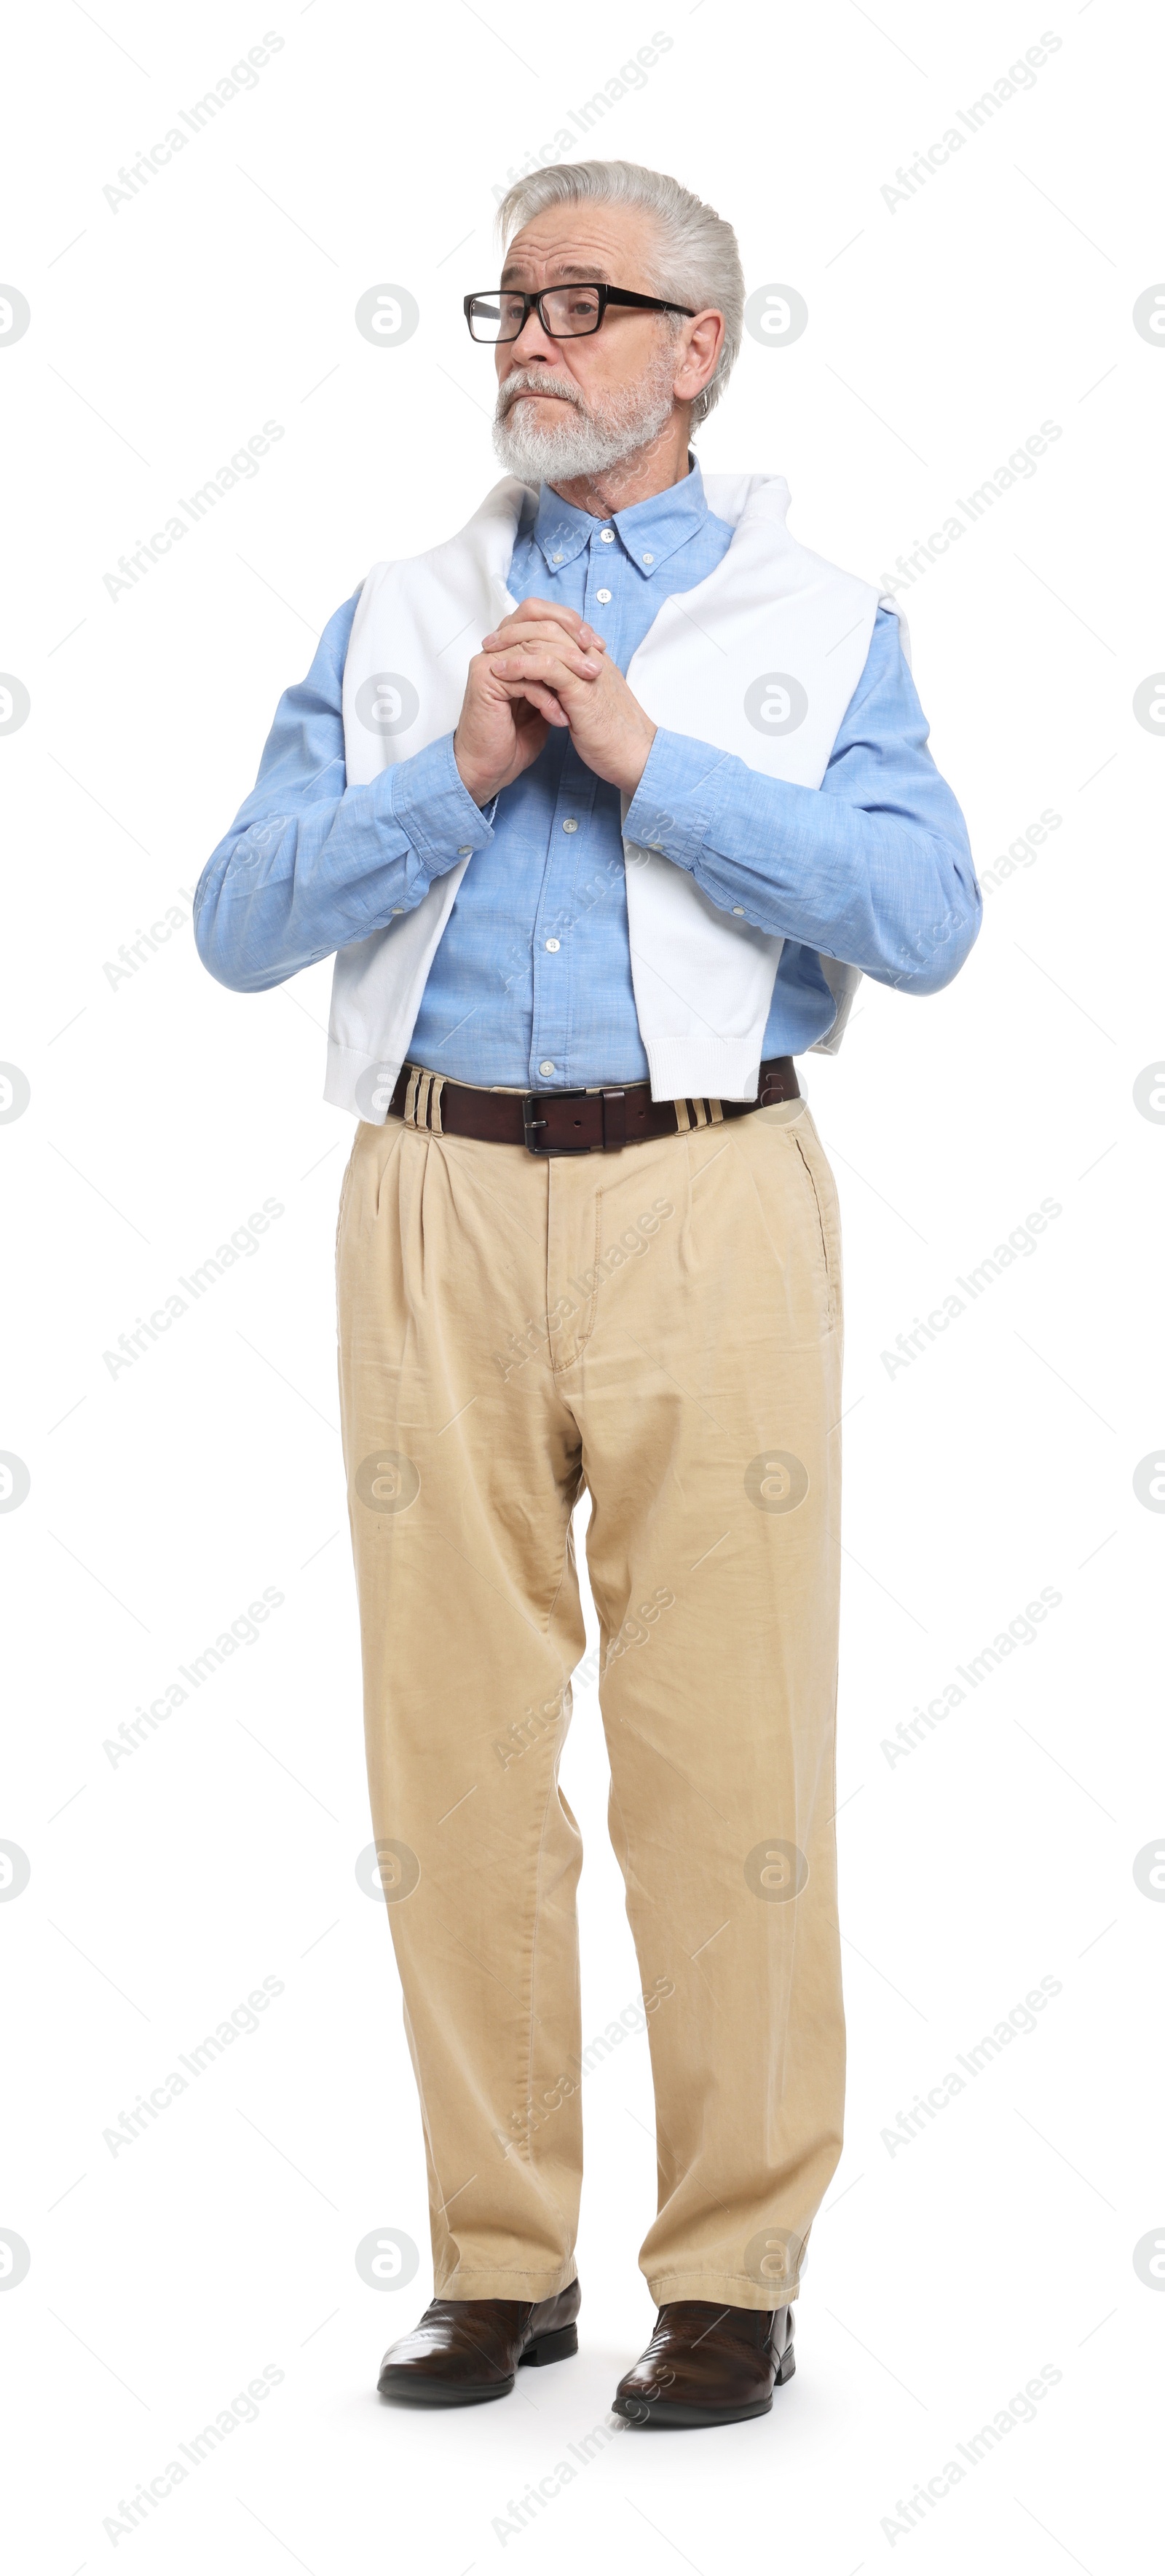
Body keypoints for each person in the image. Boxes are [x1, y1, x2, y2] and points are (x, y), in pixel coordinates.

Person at [195, 157, 979, 2429]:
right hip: (431, 1200)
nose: (528, 338)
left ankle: (732, 2264)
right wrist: (455, 773)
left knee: (722, 1753)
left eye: (582, 301)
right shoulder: (394, 617)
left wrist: (656, 768)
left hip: (707, 1197)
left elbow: (922, 923)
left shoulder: (817, 623)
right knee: (448, 1757)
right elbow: (246, 920)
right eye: (507, 302)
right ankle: (497, 2257)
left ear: (694, 349)